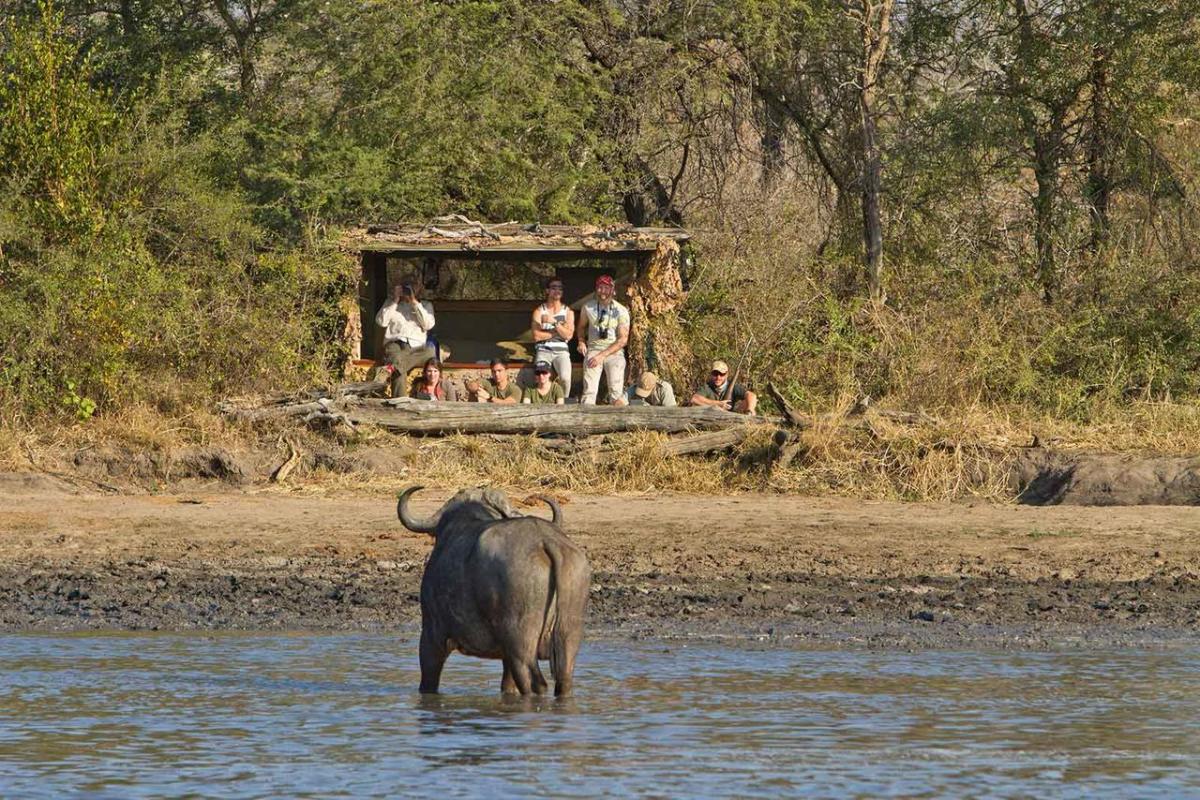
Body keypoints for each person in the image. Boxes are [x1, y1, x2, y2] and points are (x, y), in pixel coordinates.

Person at [375, 281, 436, 398]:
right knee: (399, 369)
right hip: (395, 344)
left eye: (414, 286)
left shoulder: (426, 305)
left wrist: (414, 301)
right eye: (407, 286)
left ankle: (391, 368)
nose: (409, 289)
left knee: (430, 351)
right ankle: (400, 403)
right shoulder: (390, 303)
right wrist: (395, 300)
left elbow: (428, 325)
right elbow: (381, 322)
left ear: (420, 288)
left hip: (416, 348)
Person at [575, 274, 630, 405]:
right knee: (589, 391)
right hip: (594, 349)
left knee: (616, 391)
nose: (602, 291)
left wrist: (602, 355)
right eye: (600, 287)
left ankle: (617, 421)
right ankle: (586, 421)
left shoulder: (621, 310)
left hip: (614, 352)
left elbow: (623, 340)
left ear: (612, 290)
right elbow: (581, 327)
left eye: (606, 288)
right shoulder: (588, 307)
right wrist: (581, 341)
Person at [531, 276, 575, 398]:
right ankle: (543, 403)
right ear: (547, 291)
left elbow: (569, 335)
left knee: (565, 378)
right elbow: (536, 336)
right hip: (543, 350)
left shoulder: (568, 312)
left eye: (560, 288)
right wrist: (559, 331)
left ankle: (563, 402)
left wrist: (553, 322)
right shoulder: (539, 311)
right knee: (541, 378)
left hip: (561, 352)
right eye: (554, 287)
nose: (557, 291)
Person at [690, 360, 757, 414]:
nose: (718, 377)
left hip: (730, 418)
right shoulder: (707, 386)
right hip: (710, 419)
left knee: (747, 403)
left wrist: (749, 410)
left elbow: (752, 395)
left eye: (722, 374)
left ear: (726, 375)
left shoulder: (733, 386)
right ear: (711, 374)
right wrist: (718, 404)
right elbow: (694, 399)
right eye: (715, 374)